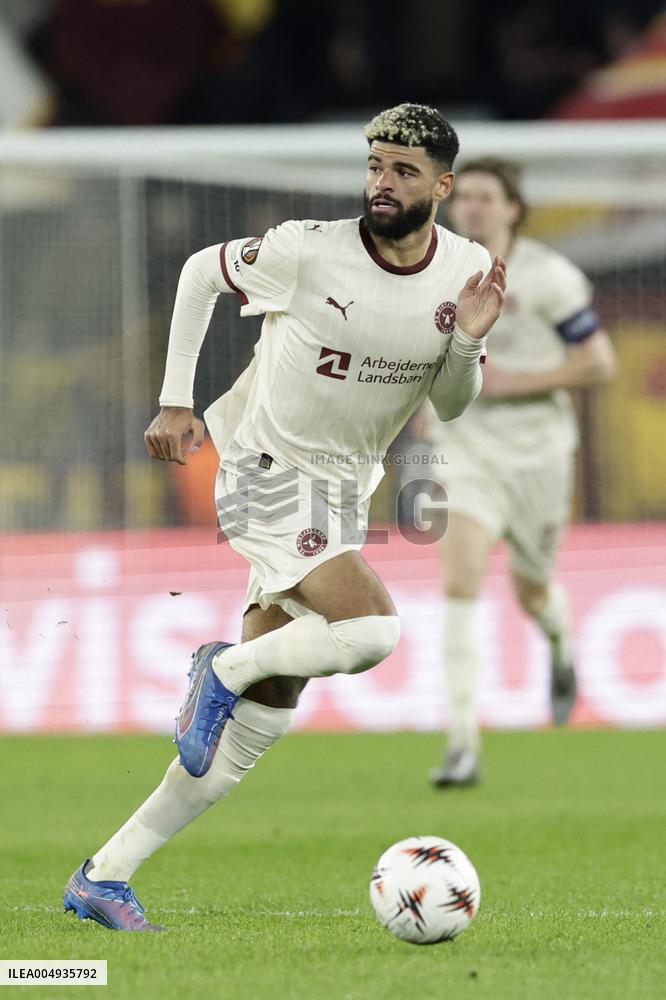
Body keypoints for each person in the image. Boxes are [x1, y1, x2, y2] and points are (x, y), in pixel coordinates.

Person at [63, 104, 506, 931]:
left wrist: (467, 343)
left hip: (343, 492)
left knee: (260, 719)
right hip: (264, 469)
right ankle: (220, 668)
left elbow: (452, 402)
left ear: (442, 186)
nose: (382, 182)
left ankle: (104, 875)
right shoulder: (307, 249)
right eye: (374, 165)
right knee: (371, 630)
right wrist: (175, 400)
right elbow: (200, 272)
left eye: (403, 171)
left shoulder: (467, 270)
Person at [426, 157, 616, 789]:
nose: (473, 206)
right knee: (460, 584)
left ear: (513, 208)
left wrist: (516, 382)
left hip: (538, 454)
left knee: (532, 592)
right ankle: (462, 744)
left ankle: (560, 643)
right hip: (464, 450)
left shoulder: (550, 277)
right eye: (465, 196)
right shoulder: (433, 273)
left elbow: (599, 363)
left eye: (487, 196)